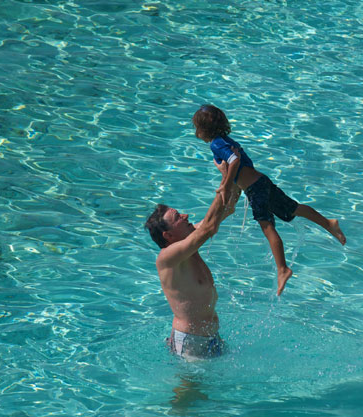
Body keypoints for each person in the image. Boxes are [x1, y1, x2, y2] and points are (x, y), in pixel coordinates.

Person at [192, 104, 346, 295]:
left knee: (268, 228)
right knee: (294, 208)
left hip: (255, 189)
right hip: (261, 181)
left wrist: (225, 183)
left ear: (202, 129)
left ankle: (282, 269)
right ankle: (329, 223)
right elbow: (242, 163)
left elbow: (234, 161)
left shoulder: (216, 144)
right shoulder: (227, 140)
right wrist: (230, 182)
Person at [145, 168, 235, 360]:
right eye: (178, 218)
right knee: (189, 391)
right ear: (168, 235)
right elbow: (209, 227)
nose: (185, 216)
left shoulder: (189, 238)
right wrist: (226, 179)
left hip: (211, 336)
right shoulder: (167, 258)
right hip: (190, 341)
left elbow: (228, 207)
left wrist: (235, 172)